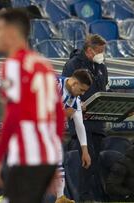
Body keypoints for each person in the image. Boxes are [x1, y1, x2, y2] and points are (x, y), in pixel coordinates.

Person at [0, 8, 65, 203]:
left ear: (10, 32)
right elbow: (59, 114)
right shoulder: (43, 64)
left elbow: (14, 113)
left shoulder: (12, 66)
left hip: (28, 156)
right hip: (47, 156)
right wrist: (54, 160)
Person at [62, 34, 108, 201]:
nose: (102, 54)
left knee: (93, 162)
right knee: (86, 160)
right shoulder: (73, 65)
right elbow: (67, 92)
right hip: (81, 120)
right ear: (89, 51)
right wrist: (75, 105)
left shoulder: (101, 66)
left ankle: (90, 196)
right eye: (100, 51)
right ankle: (83, 197)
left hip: (99, 122)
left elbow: (104, 91)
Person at [55, 69, 93, 203]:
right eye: (81, 90)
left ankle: (60, 197)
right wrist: (62, 114)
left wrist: (85, 151)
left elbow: (79, 125)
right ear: (74, 83)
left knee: (58, 160)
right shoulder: (53, 85)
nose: (82, 94)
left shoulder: (74, 99)